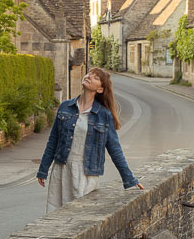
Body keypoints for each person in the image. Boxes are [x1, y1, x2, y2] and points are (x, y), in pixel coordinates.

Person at [37, 67, 144, 211]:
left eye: (96, 78)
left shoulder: (104, 115)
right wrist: (43, 170)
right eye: (89, 74)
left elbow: (115, 149)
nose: (89, 77)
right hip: (62, 169)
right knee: (55, 214)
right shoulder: (65, 107)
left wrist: (129, 178)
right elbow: (53, 141)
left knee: (79, 217)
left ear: (100, 89)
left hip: (86, 173)